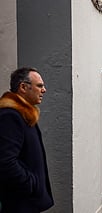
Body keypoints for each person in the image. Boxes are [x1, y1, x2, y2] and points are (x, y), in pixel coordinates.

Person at [0, 67, 54, 212]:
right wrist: (31, 184)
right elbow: (5, 161)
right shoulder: (10, 116)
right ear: (23, 87)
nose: (44, 90)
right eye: (39, 86)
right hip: (20, 205)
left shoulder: (24, 115)